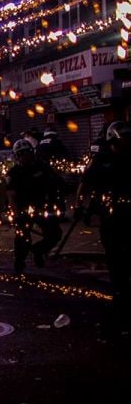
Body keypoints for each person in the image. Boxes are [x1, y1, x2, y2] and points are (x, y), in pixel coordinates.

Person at [82, 121, 131, 322]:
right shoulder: (102, 160)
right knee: (115, 254)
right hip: (111, 216)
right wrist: (83, 207)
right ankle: (120, 292)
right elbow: (86, 183)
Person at [5, 139, 65, 275]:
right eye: (21, 154)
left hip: (42, 207)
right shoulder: (14, 173)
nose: (25, 156)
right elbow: (11, 197)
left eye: (27, 153)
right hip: (23, 209)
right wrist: (16, 215)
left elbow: (56, 185)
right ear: (16, 156)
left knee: (55, 233)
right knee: (22, 237)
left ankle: (38, 250)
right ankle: (19, 263)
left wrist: (59, 203)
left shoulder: (42, 167)